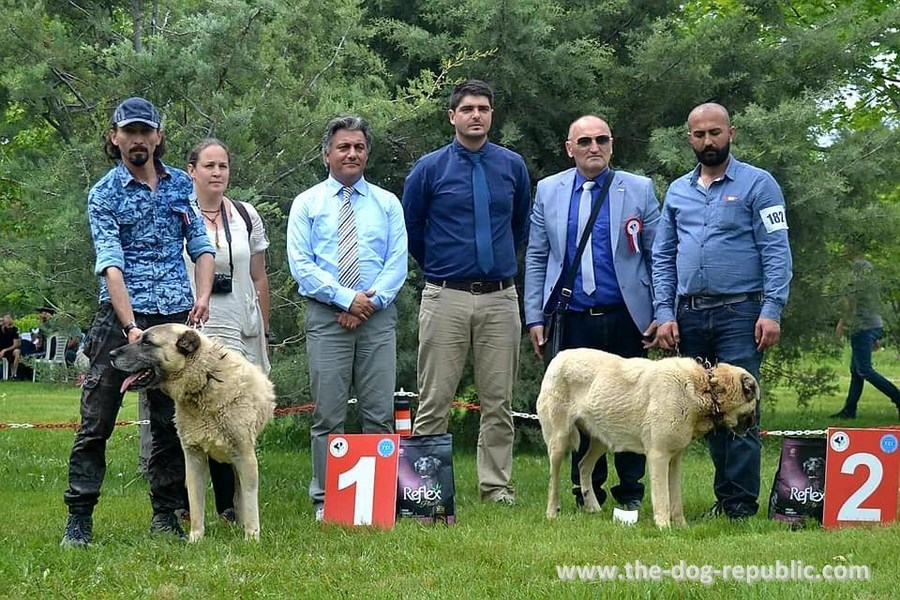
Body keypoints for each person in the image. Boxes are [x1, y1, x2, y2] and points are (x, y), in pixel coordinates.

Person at [60, 97, 215, 547]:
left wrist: (201, 298)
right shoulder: (104, 193)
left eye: (146, 131)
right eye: (129, 132)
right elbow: (111, 264)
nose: (138, 139)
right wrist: (130, 328)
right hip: (119, 317)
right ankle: (79, 519)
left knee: (170, 421)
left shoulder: (179, 186)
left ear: (158, 137)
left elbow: (201, 246)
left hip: (173, 318)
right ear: (114, 137)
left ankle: (165, 515)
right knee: (97, 420)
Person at [652, 102, 792, 520]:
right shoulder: (678, 191)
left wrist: (772, 309)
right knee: (705, 409)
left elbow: (776, 251)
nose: (707, 141)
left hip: (741, 315)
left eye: (715, 133)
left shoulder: (759, 185)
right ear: (689, 138)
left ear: (731, 133)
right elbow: (663, 255)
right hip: (690, 315)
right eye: (699, 135)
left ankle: (741, 505)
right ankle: (724, 497)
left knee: (740, 408)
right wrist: (665, 312)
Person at [402, 80, 531, 505]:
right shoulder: (430, 168)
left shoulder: (512, 166)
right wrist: (444, 270)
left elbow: (519, 228)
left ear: (492, 115)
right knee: (435, 398)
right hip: (446, 295)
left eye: (484, 108)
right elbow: (413, 232)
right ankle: (425, 491)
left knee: (498, 400)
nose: (477, 115)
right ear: (452, 116)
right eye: (468, 109)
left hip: (500, 296)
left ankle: (496, 487)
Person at [524, 115, 660, 511]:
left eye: (601, 139)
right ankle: (586, 493)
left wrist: (660, 311)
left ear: (612, 144)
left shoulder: (638, 189)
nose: (593, 147)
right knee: (580, 412)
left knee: (636, 407)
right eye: (584, 141)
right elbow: (536, 255)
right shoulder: (548, 190)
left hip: (626, 317)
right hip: (571, 317)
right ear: (570, 148)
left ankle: (630, 496)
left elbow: (658, 254)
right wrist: (535, 316)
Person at [287, 115, 407, 521]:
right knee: (328, 415)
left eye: (358, 147)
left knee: (379, 412)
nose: (351, 153)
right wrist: (345, 299)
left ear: (366, 154)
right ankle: (326, 500)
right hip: (326, 318)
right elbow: (301, 265)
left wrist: (366, 305)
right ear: (327, 154)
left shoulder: (388, 204)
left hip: (377, 319)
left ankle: (380, 499)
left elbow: (397, 263)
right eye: (343, 147)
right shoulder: (307, 204)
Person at [185, 137, 272, 523]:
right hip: (192, 330)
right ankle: (180, 506)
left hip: (239, 324)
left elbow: (259, 276)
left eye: (223, 166)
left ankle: (234, 505)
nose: (217, 172)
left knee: (233, 416)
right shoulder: (179, 212)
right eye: (209, 166)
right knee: (192, 415)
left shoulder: (246, 214)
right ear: (192, 170)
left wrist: (264, 327)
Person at [830, 253, 900, 419]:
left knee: (864, 370)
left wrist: (841, 324)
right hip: (873, 323)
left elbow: (851, 301)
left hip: (863, 325)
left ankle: (897, 397)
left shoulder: (858, 269)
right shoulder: (869, 267)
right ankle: (849, 410)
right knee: (856, 370)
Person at [0, 314, 20, 379]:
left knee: (17, 352)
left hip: (10, 349)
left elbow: (16, 344)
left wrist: (5, 350)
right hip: (1, 348)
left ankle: (14, 374)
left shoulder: (14, 330)